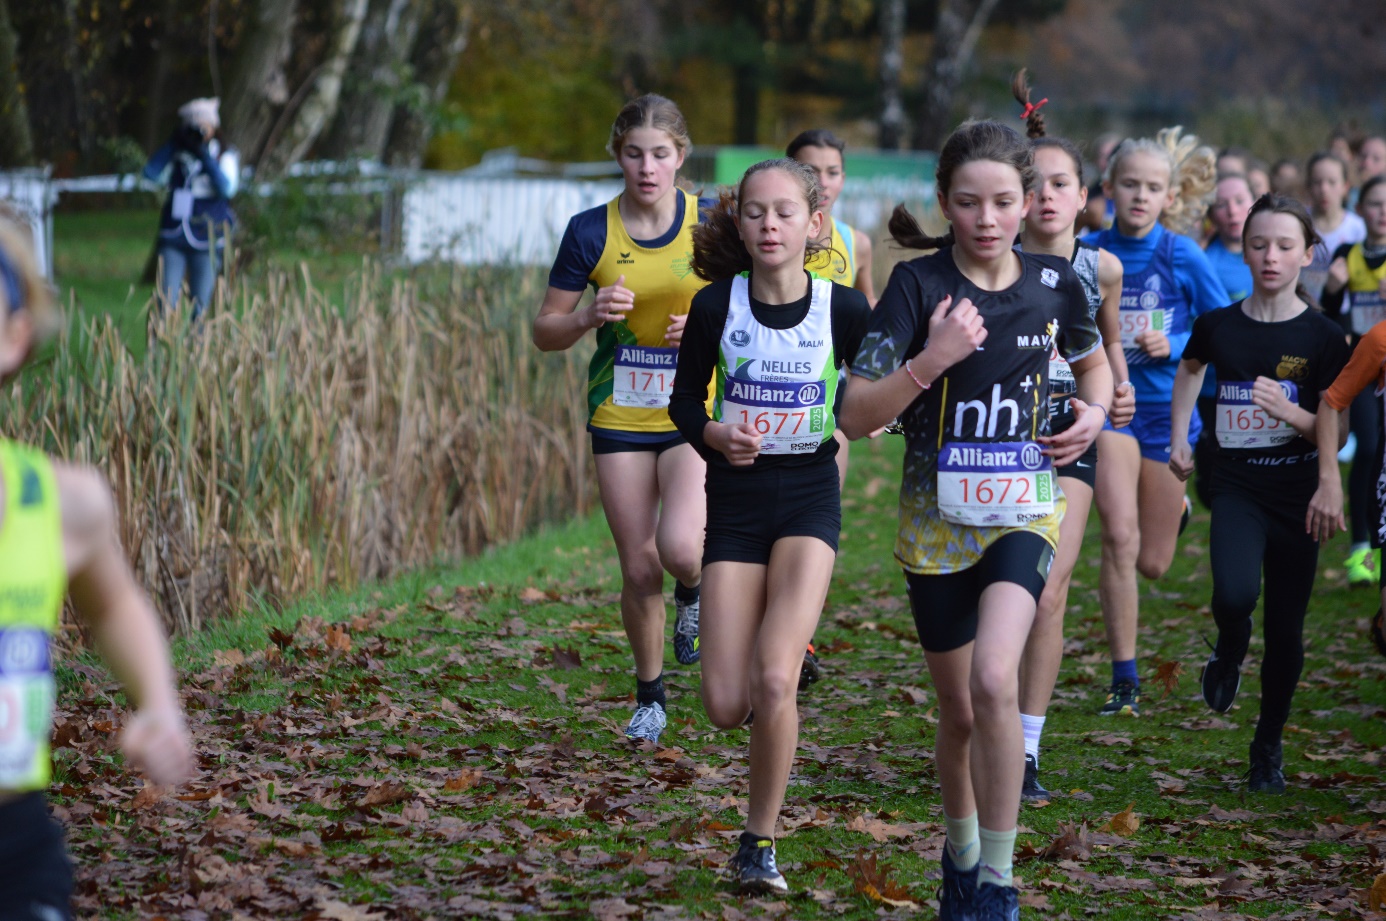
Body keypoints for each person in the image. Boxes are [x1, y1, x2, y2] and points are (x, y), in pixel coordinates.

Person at [841, 119, 1113, 920]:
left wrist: (1094, 416)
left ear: (1029, 201)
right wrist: (933, 359)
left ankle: (998, 877)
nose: (988, 218)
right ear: (945, 203)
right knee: (959, 709)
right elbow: (855, 414)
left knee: (997, 678)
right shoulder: (917, 288)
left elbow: (1094, 366)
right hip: (935, 525)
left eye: (1003, 201)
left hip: (1025, 512)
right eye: (968, 203)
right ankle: (959, 853)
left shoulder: (1060, 284)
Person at [669, 158, 870, 893]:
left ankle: (759, 842)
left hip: (810, 496)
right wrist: (714, 435)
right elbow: (685, 402)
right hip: (738, 502)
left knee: (775, 677)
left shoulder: (843, 309)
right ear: (738, 222)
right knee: (726, 703)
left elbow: (883, 385)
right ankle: (773, 661)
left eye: (785, 212)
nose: (769, 225)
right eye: (754, 212)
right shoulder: (716, 305)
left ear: (815, 223)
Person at [0, 217, 195, 919]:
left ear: (14, 335)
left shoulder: (61, 503)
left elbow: (114, 604)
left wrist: (157, 701)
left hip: (13, 848)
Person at [533, 94, 708, 744]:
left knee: (682, 547)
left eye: (660, 154)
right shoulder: (590, 230)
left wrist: (711, 327)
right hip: (620, 410)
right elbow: (544, 331)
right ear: (618, 156)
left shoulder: (709, 222)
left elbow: (760, 302)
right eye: (633, 153)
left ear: (680, 158)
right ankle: (650, 696)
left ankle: (692, 592)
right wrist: (586, 316)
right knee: (638, 567)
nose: (646, 166)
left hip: (693, 406)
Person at [1170, 194, 1349, 794]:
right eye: (1258, 244)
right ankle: (1228, 645)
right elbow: (1191, 368)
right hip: (1238, 485)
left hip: (1298, 491)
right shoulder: (1219, 324)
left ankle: (1267, 745)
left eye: (1284, 246)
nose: (1270, 256)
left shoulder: (1324, 337)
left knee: (1289, 630)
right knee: (1234, 592)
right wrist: (1181, 436)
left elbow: (1338, 424)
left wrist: (1292, 415)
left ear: (1306, 254)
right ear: (1243, 249)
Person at [1010, 71, 1134, 804]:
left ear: (1085, 197)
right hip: (992, 441)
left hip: (1070, 438)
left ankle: (1026, 748)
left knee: (1050, 590)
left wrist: (1113, 389)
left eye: (1063, 184)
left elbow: (1104, 348)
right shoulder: (992, 259)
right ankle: (980, 718)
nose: (1049, 196)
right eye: (1037, 184)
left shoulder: (1102, 267)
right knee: (996, 595)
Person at [1085, 127, 1229, 717]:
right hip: (1113, 411)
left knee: (1154, 563)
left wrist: (1173, 342)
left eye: (1153, 188)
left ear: (1170, 197)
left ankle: (1179, 507)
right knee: (1119, 538)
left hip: (1169, 417)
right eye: (1130, 185)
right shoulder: (1090, 251)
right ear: (1110, 188)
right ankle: (1125, 678)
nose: (1140, 196)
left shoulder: (1181, 254)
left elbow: (1226, 331)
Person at [785, 128, 878, 690]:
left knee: (817, 519)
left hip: (830, 403)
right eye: (810, 169)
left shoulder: (855, 242)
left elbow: (870, 316)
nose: (822, 181)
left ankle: (802, 640)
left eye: (833, 171)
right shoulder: (765, 233)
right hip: (766, 397)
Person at [1321, 175, 1386, 587]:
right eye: (1375, 204)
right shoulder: (1348, 253)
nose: (1382, 213)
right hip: (1364, 363)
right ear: (1360, 211)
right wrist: (1332, 288)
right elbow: (1331, 312)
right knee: (1369, 446)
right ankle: (1362, 547)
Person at [1191, 172, 1257, 509]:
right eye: (1221, 204)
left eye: (1239, 201)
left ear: (1255, 202)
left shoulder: (1271, 256)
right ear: (1211, 213)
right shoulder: (1202, 260)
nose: (1232, 211)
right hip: (1212, 389)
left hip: (1263, 386)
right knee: (1213, 478)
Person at [141, 97, 238, 319]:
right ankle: (160, 348)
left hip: (208, 237)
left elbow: (227, 189)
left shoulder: (224, 155)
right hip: (174, 236)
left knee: (201, 305)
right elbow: (150, 174)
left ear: (214, 127)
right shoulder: (176, 154)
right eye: (192, 126)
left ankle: (197, 351)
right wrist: (173, 144)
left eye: (203, 125)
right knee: (165, 301)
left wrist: (204, 156)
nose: (198, 131)